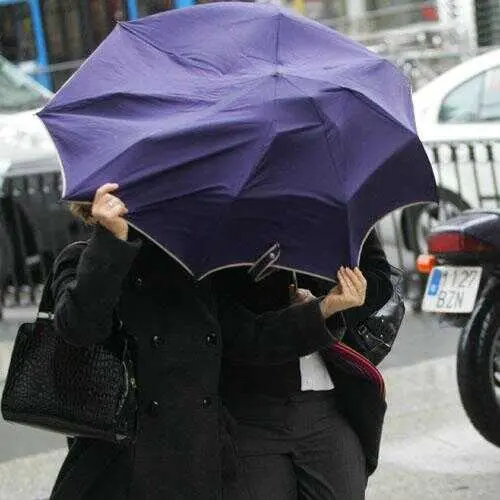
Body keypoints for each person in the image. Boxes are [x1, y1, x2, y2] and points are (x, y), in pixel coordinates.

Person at [49, 183, 370, 500]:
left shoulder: (185, 269)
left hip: (195, 463)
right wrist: (111, 239)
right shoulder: (82, 258)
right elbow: (78, 328)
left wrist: (325, 309)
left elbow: (251, 337)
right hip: (121, 465)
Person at [217, 230, 392, 500]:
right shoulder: (223, 223)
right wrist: (316, 312)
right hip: (250, 408)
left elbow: (379, 278)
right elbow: (233, 329)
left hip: (330, 398)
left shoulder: (334, 207)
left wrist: (334, 300)